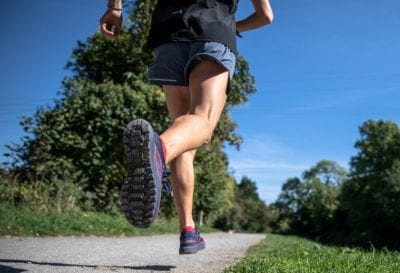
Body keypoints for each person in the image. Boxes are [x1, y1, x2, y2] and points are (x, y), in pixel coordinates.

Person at [99, 0, 273, 254]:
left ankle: (189, 229)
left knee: (183, 134)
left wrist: (115, 8)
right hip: (213, 32)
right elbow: (265, 16)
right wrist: (231, 25)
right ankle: (158, 152)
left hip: (169, 34)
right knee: (201, 122)